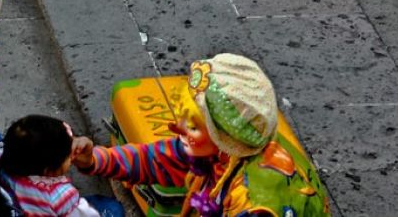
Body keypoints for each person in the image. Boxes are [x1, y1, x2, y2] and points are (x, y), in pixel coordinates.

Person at [71, 54, 331, 216]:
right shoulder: (227, 150)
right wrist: (95, 160)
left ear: (225, 137)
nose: (177, 127)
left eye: (192, 125)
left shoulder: (255, 205)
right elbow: (159, 160)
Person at [0, 115, 125, 217]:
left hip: (20, 207)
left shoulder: (2, 159)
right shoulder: (61, 195)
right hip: (62, 208)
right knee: (113, 208)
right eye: (68, 156)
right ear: (50, 172)